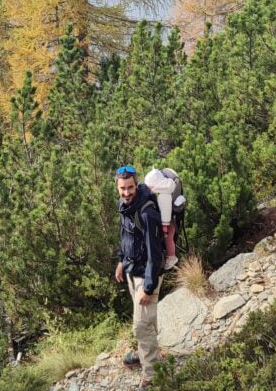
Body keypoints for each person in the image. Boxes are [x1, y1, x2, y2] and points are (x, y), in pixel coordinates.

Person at [114, 165, 164, 389]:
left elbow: (155, 252)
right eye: (123, 188)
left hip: (146, 275)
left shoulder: (147, 212)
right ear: (117, 187)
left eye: (130, 187)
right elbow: (126, 234)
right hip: (132, 271)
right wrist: (121, 260)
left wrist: (148, 286)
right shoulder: (125, 205)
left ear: (137, 184)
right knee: (147, 320)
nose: (127, 193)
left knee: (141, 326)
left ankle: (152, 376)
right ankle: (146, 353)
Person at [144, 167, 180, 270]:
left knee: (168, 239)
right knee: (169, 239)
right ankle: (170, 256)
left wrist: (164, 228)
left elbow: (165, 213)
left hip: (167, 223)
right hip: (171, 221)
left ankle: (171, 257)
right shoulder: (167, 188)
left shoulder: (163, 196)